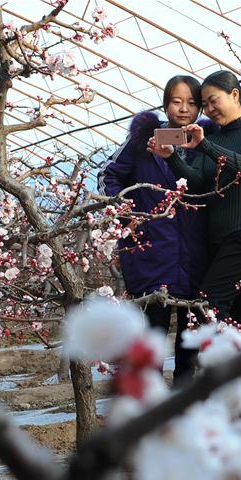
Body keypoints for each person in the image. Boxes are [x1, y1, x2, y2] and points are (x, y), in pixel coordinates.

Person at [98, 75, 215, 382]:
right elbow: (110, 176)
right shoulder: (142, 141)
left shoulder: (204, 143)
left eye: (192, 102)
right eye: (177, 101)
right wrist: (125, 213)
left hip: (196, 252)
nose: (184, 109)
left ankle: (183, 399)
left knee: (192, 334)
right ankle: (150, 400)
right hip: (152, 249)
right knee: (154, 328)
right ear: (165, 104)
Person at [148, 70, 241, 334]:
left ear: (234, 94)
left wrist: (204, 145)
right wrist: (171, 157)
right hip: (220, 241)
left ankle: (217, 371)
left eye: (212, 100)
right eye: (204, 104)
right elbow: (199, 186)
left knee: (209, 302)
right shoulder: (214, 139)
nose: (208, 109)